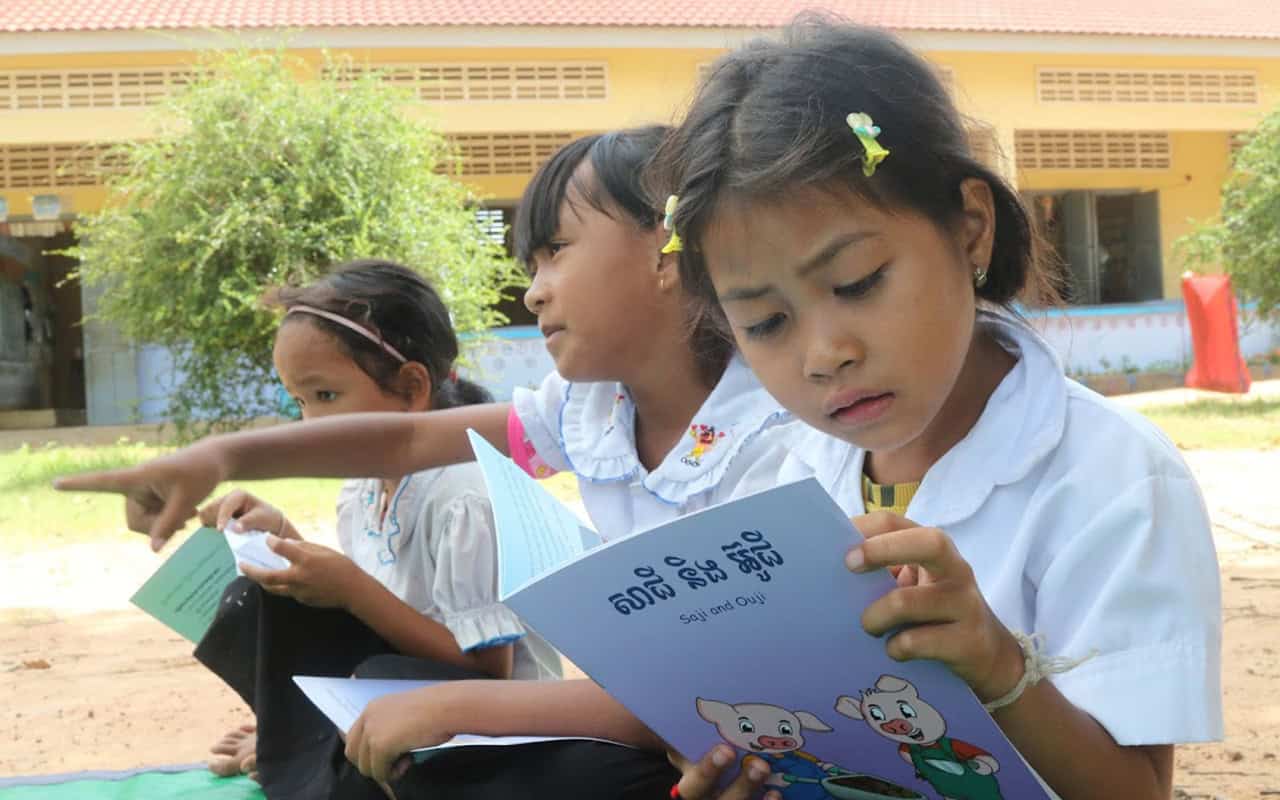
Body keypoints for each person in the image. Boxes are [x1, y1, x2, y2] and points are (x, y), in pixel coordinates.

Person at [57, 127, 794, 798]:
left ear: (670, 248)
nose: (534, 290)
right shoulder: (589, 411)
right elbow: (405, 442)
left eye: (555, 251)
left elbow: (721, 696)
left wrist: (453, 707)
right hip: (671, 732)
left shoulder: (773, 435)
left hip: (739, 745)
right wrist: (220, 457)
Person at [651, 16, 1221, 800]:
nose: (825, 353)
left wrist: (997, 664)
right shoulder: (774, 478)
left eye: (856, 282)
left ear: (971, 228)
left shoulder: (1114, 479)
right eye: (766, 323)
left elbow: (1135, 791)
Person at [187, 259, 559, 799]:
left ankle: (312, 748)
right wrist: (282, 537)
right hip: (405, 696)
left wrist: (349, 587)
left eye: (327, 396)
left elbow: (488, 670)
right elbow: (371, 604)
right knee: (256, 598)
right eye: (299, 401)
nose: (310, 423)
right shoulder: (360, 489)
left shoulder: (465, 496)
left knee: (381, 674)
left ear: (411, 388)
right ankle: (308, 742)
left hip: (494, 730)